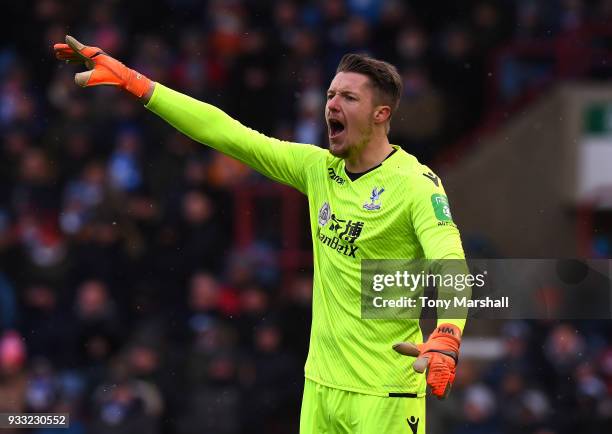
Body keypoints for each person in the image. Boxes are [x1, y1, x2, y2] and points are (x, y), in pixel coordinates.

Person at [54, 35, 467, 434]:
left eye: (348, 98)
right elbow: (228, 134)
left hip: (386, 393)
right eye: (330, 96)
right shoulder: (318, 169)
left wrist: (447, 333)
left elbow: (450, 258)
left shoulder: (415, 185)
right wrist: (136, 82)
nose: (332, 106)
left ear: (381, 114)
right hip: (321, 386)